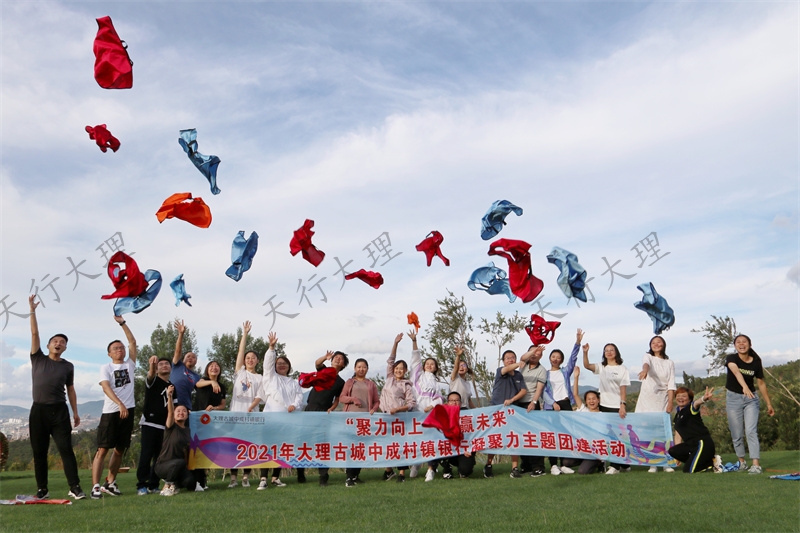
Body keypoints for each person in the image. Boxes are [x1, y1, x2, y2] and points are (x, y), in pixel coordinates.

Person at [27, 295, 85, 500]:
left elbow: (71, 389)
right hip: (38, 411)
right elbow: (34, 333)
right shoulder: (38, 358)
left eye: (62, 342)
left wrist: (76, 412)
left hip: (60, 411)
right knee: (39, 452)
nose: (58, 343)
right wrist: (32, 311)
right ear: (49, 345)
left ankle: (75, 487)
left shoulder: (68, 366)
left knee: (66, 450)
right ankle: (42, 489)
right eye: (55, 341)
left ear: (65, 348)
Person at [91, 315, 137, 500]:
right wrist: (119, 404)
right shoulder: (106, 367)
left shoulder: (130, 365)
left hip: (129, 410)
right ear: (109, 353)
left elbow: (133, 342)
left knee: (120, 449)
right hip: (111, 411)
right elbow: (106, 386)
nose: (120, 350)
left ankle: (110, 482)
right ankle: (95, 486)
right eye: (115, 348)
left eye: (121, 347)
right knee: (102, 449)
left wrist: (123, 324)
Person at [248, 332, 302, 489]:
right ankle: (263, 478)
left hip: (287, 419)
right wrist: (271, 348)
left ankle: (275, 477)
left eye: (284, 363)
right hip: (271, 418)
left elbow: (299, 397)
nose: (282, 365)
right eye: (279, 363)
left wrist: (295, 406)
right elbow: (267, 365)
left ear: (289, 366)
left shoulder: (293, 382)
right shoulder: (271, 378)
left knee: (281, 448)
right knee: (267, 447)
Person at [296, 348, 348, 486]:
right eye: (336, 357)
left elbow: (337, 398)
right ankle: (300, 473)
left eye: (341, 358)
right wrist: (325, 357)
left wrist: (332, 407)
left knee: (323, 444)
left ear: (343, 365)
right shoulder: (323, 371)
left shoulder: (341, 382)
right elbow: (317, 363)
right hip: (309, 410)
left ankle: (323, 476)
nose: (338, 359)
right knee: (304, 442)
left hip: (324, 413)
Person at [725, 334, 775, 474]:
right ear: (735, 346)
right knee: (737, 433)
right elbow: (735, 371)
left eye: (744, 342)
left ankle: (756, 464)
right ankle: (741, 462)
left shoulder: (756, 361)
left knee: (751, 431)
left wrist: (769, 404)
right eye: (738, 342)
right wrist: (744, 387)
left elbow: (761, 383)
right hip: (733, 398)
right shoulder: (731, 358)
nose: (741, 344)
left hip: (751, 399)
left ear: (750, 344)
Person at [583, 342, 630, 475]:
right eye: (606, 350)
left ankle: (615, 466)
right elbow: (587, 365)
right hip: (604, 405)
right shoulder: (602, 367)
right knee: (607, 436)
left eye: (611, 350)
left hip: (616, 406)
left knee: (618, 436)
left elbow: (623, 388)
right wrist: (585, 352)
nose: (609, 352)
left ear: (616, 352)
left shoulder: (622, 368)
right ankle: (620, 464)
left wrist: (622, 404)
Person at [228, 321, 263, 489]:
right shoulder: (239, 372)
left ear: (257, 361)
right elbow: (240, 351)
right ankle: (233, 479)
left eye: (252, 358)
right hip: (235, 414)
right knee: (233, 447)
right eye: (247, 358)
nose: (249, 360)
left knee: (248, 447)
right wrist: (245, 334)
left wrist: (252, 405)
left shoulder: (260, 377)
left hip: (252, 416)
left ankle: (246, 477)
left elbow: (260, 395)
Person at [634, 335, 676, 473]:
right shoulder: (648, 357)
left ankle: (666, 462)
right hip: (647, 399)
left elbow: (671, 384)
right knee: (647, 432)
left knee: (662, 432)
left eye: (659, 342)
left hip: (662, 399)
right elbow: (646, 364)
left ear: (663, 345)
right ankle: (652, 463)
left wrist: (670, 402)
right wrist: (645, 370)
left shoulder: (669, 363)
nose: (656, 344)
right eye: (653, 342)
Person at [484, 349, 527, 479]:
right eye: (508, 358)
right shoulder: (500, 371)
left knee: (513, 439)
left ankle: (514, 468)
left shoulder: (519, 375)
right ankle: (488, 465)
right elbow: (506, 369)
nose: (510, 359)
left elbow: (523, 391)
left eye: (513, 357)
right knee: (495, 439)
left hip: (513, 410)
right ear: (503, 361)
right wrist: (519, 363)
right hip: (497, 411)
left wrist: (512, 400)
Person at [380, 333, 417, 482]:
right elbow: (390, 360)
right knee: (387, 445)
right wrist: (395, 343)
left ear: (405, 371)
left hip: (399, 419)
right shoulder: (389, 378)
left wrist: (398, 409)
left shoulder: (406, 384)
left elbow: (411, 403)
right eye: (397, 368)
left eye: (402, 369)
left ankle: (401, 473)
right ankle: (389, 470)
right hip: (385, 417)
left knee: (399, 445)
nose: (398, 370)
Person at [409, 329, 444, 481]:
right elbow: (416, 360)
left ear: (436, 367)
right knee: (417, 440)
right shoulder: (418, 376)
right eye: (427, 363)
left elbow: (439, 399)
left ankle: (431, 469)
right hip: (416, 413)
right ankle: (416, 463)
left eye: (432, 364)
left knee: (431, 440)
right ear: (424, 366)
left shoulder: (436, 382)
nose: (429, 365)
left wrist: (432, 406)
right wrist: (414, 341)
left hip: (430, 415)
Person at [339, 358, 380, 487]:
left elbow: (376, 401)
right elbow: (342, 398)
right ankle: (349, 477)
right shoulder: (350, 382)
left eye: (364, 367)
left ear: (367, 369)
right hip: (351, 420)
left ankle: (356, 475)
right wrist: (353, 399)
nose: (361, 369)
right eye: (359, 367)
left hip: (365, 421)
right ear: (355, 369)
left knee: (362, 448)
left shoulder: (371, 384)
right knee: (352, 447)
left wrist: (373, 409)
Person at [136, 355, 173, 495]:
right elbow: (150, 375)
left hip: (163, 426)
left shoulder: (171, 386)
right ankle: (141, 485)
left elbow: (172, 408)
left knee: (159, 458)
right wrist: (152, 365)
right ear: (157, 368)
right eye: (161, 364)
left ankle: (154, 484)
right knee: (146, 455)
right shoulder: (153, 381)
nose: (164, 365)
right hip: (149, 423)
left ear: (170, 368)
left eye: (166, 364)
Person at [154, 385, 194, 496]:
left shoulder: (188, 431)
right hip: (163, 466)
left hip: (179, 466)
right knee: (179, 462)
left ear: (187, 415)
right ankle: (166, 486)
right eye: (178, 411)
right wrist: (170, 397)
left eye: (184, 411)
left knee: (190, 483)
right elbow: (170, 413)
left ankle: (175, 484)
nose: (181, 413)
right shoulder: (171, 427)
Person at [193, 360, 226, 490]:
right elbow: (197, 384)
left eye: (217, 366)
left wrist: (215, 408)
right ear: (207, 370)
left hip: (211, 423)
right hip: (197, 421)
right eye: (211, 366)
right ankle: (196, 481)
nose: (214, 368)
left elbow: (223, 405)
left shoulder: (222, 387)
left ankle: (203, 481)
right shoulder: (203, 381)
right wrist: (212, 382)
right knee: (196, 450)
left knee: (207, 451)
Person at [668, 386, 716, 473]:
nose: (680, 398)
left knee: (688, 470)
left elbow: (696, 403)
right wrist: (677, 457)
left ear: (689, 399)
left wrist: (704, 398)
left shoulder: (691, 408)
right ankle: (704, 462)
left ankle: (709, 464)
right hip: (690, 446)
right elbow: (678, 436)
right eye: (678, 396)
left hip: (702, 444)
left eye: (684, 396)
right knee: (673, 450)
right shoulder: (677, 415)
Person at [430, 392, 476, 479]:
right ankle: (447, 469)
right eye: (451, 400)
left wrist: (470, 449)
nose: (454, 402)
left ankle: (462, 469)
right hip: (449, 450)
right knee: (437, 448)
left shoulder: (468, 415)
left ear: (461, 403)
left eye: (456, 400)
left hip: (464, 450)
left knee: (466, 471)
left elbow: (474, 435)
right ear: (447, 403)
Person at [518, 345, 547, 477]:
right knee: (521, 436)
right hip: (518, 403)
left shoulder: (542, 370)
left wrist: (534, 402)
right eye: (533, 352)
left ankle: (538, 466)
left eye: (538, 353)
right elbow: (523, 357)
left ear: (541, 356)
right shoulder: (523, 364)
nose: (535, 354)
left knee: (533, 436)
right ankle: (526, 464)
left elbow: (539, 389)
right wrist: (532, 351)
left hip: (531, 404)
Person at [571, 367, 604, 475]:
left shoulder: (602, 415)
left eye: (594, 398)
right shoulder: (583, 410)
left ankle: (599, 463)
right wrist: (576, 377)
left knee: (582, 471)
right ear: (586, 401)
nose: (591, 401)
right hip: (583, 447)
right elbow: (575, 395)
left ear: (598, 400)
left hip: (595, 450)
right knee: (566, 462)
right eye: (589, 399)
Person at [171, 319, 200, 409]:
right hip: (171, 402)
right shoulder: (177, 365)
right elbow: (178, 351)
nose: (190, 358)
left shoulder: (196, 376)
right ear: (183, 359)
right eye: (188, 356)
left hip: (186, 406)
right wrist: (181, 334)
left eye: (193, 357)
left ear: (196, 362)